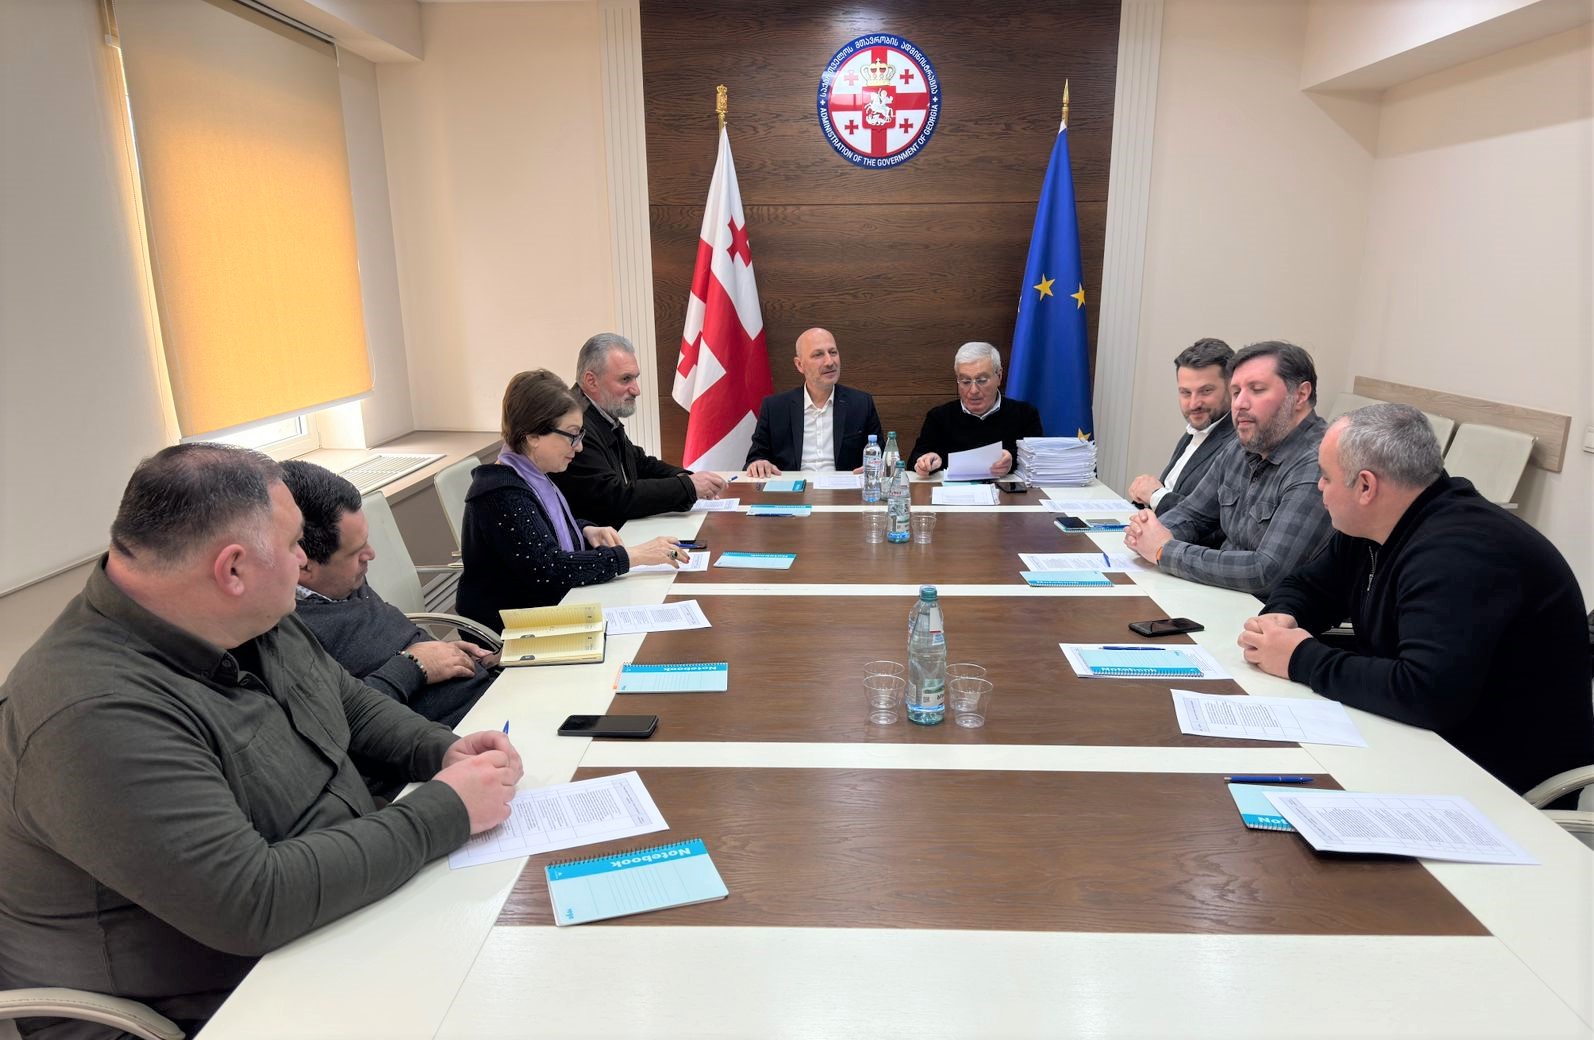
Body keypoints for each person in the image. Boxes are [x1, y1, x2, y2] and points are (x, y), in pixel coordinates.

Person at [0, 444, 521, 1040]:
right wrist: (447, 809)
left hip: (332, 918)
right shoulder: (92, 711)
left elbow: (346, 700)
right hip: (217, 1003)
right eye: (295, 543)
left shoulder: (238, 613)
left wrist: (441, 750)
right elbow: (252, 903)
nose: (304, 561)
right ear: (232, 570)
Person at [1238, 404, 1593, 799]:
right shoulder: (1373, 525)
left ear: (1366, 487)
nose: (1319, 486)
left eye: (1326, 476)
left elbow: (1426, 693)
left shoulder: (1462, 553)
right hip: (1419, 741)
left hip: (1493, 780)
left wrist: (1299, 658)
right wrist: (1282, 618)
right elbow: (1309, 586)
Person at [457, 369, 687, 631]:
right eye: (572, 435)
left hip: (543, 613)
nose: (579, 446)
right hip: (511, 632)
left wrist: (583, 529)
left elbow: (538, 528)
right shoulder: (501, 493)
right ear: (532, 436)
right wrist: (633, 555)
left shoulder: (530, 474)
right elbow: (552, 569)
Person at [282, 460, 495, 731]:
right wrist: (413, 666)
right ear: (303, 565)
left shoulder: (340, 579)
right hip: (455, 731)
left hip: (482, 693)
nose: (371, 554)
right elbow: (335, 722)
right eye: (355, 552)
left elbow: (383, 636)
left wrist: (441, 652)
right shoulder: (284, 630)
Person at [1124, 340, 1332, 597]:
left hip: (1267, 612)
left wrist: (1163, 550)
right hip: (1222, 595)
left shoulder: (1319, 462)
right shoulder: (1242, 446)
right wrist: (1149, 533)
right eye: (1235, 392)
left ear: (1300, 395)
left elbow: (1266, 572)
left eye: (1256, 390)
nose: (1239, 404)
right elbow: (1193, 514)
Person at [551, 332, 727, 528]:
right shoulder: (575, 424)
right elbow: (613, 496)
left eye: (635, 378)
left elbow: (638, 463)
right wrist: (687, 487)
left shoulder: (600, 414)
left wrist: (686, 478)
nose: (636, 390)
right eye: (625, 379)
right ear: (591, 381)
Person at [744, 327, 883, 476]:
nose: (830, 362)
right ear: (800, 365)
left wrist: (878, 465)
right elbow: (755, 459)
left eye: (833, 352)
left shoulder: (861, 403)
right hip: (792, 488)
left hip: (843, 488)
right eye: (818, 355)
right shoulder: (774, 407)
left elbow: (881, 456)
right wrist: (758, 463)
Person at [1127, 337, 1236, 515]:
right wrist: (1144, 494)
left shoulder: (1239, 443)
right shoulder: (1195, 431)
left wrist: (1155, 495)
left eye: (1206, 391)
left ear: (1232, 387)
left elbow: (1214, 520)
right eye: (1185, 392)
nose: (1194, 404)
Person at [907, 342, 1044, 478]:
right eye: (965, 381)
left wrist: (1012, 459)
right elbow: (914, 460)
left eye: (982, 380)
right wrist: (926, 461)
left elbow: (1039, 463)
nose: (973, 391)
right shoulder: (939, 417)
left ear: (999, 376)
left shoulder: (1025, 414)